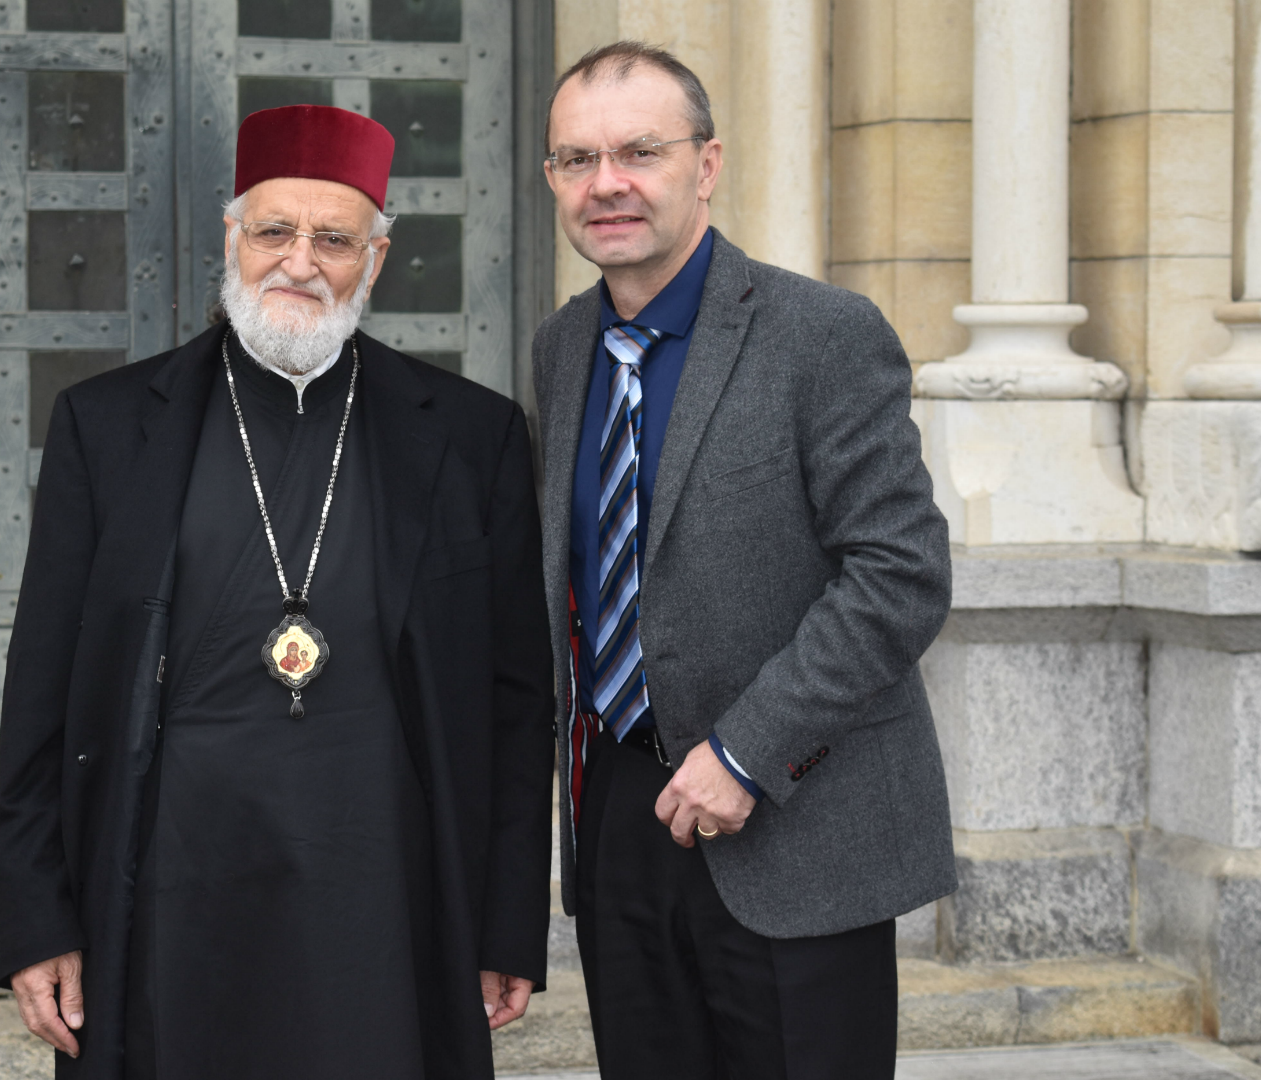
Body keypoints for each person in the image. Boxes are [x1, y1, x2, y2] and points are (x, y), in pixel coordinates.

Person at [0, 103, 556, 1080]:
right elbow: (42, 691)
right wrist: (36, 917)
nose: (300, 261)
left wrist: (507, 925)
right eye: (275, 231)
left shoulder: (470, 436)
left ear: (375, 259)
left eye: (333, 238)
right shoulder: (109, 427)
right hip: (174, 883)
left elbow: (514, 706)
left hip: (386, 892)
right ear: (232, 238)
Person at [532, 43, 957, 1079]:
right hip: (620, 826)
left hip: (790, 821)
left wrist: (745, 755)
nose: (607, 185)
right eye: (575, 159)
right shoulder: (560, 349)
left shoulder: (822, 335)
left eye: (639, 151)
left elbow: (900, 574)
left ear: (707, 163)